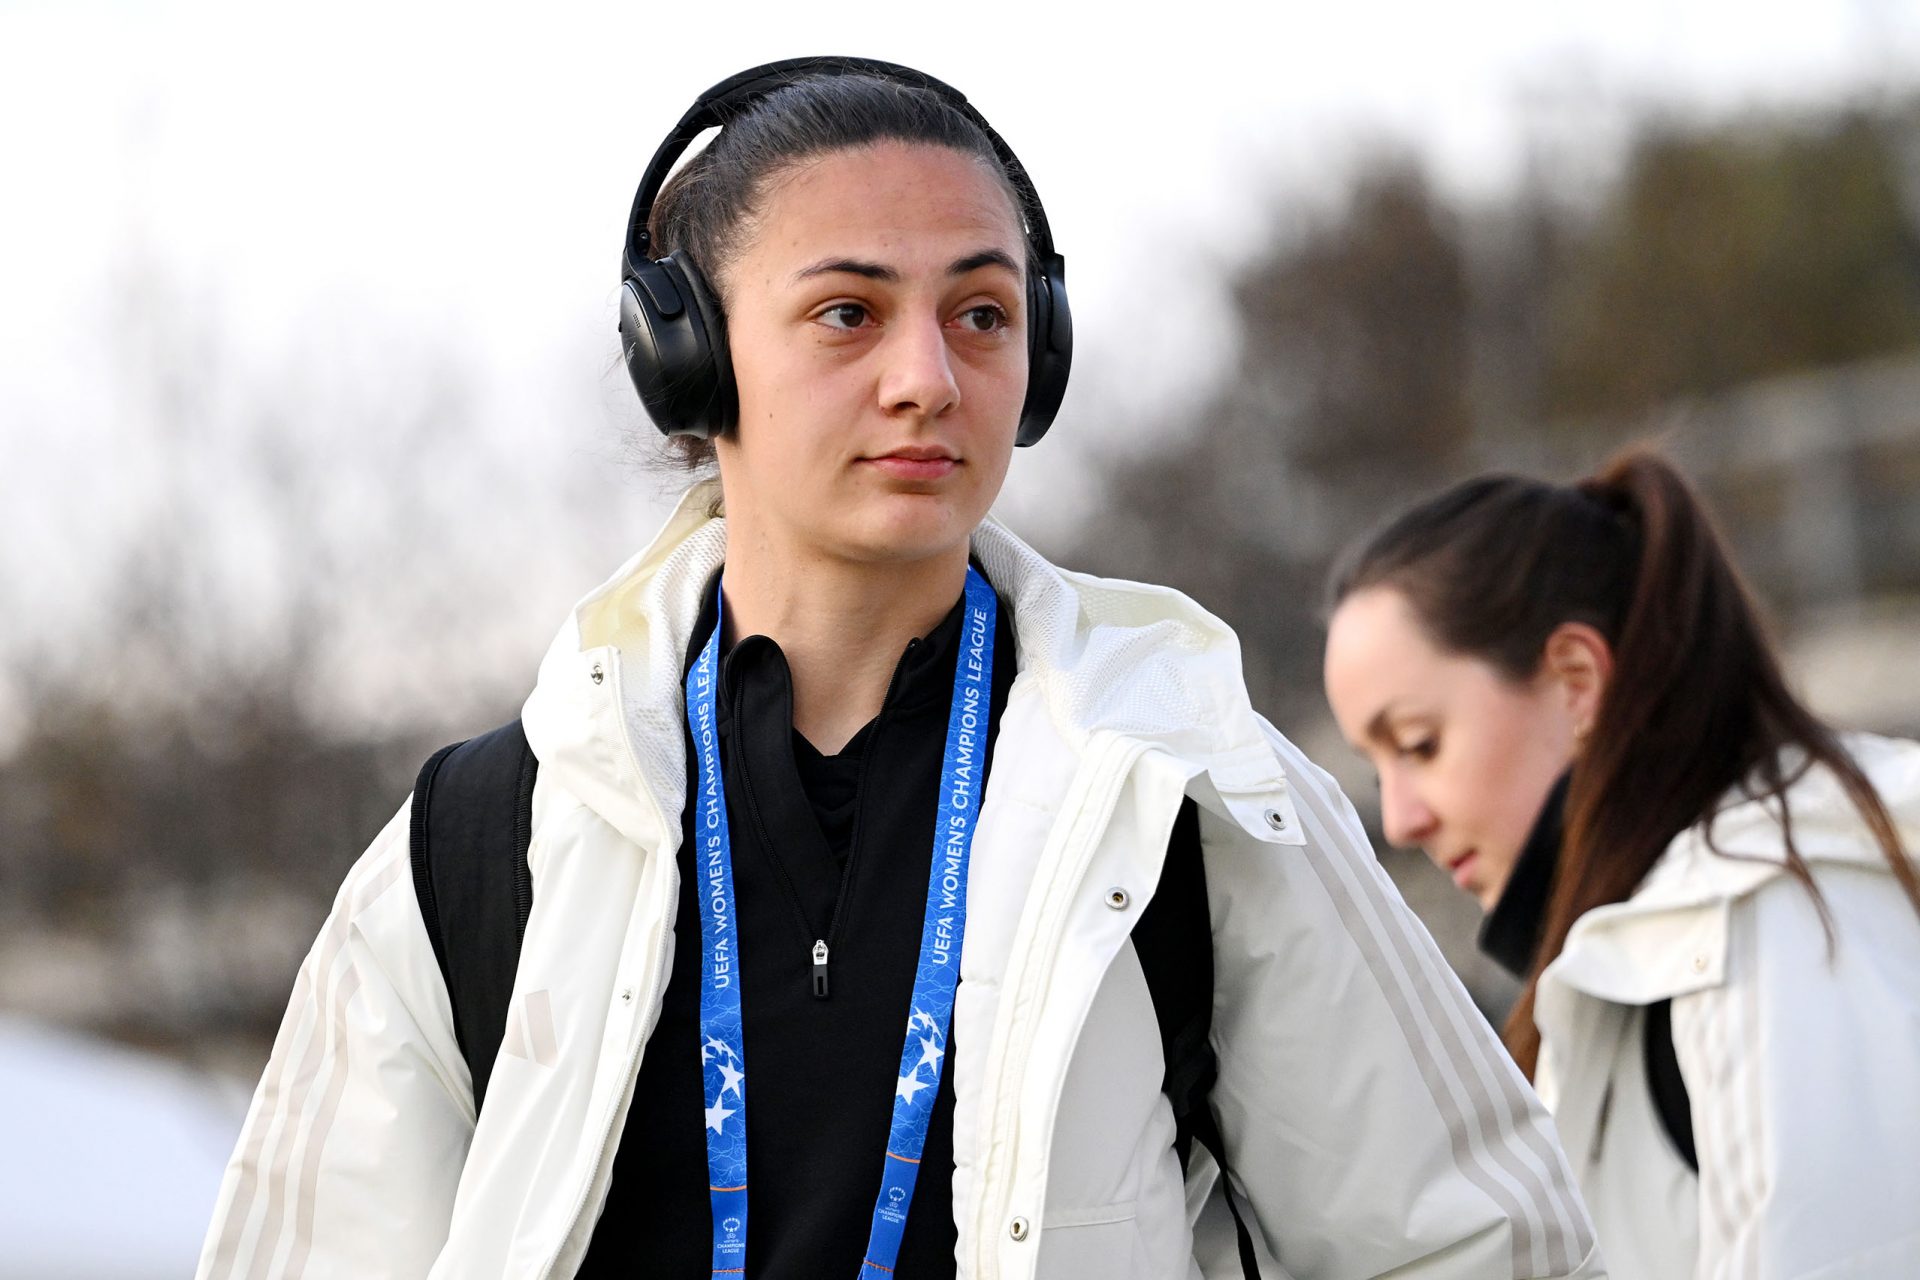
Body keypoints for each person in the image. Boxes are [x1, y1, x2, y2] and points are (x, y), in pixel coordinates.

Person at [198, 58, 1600, 1279]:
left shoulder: (1196, 795)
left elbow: (1475, 1252)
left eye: (982, 313)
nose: (928, 376)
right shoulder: (479, 843)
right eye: (847, 314)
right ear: (689, 360)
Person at [1322, 446, 1920, 1280]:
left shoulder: (1760, 932)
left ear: (1574, 680)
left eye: (1418, 744)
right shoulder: (1638, 961)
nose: (1398, 819)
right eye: (1375, 765)